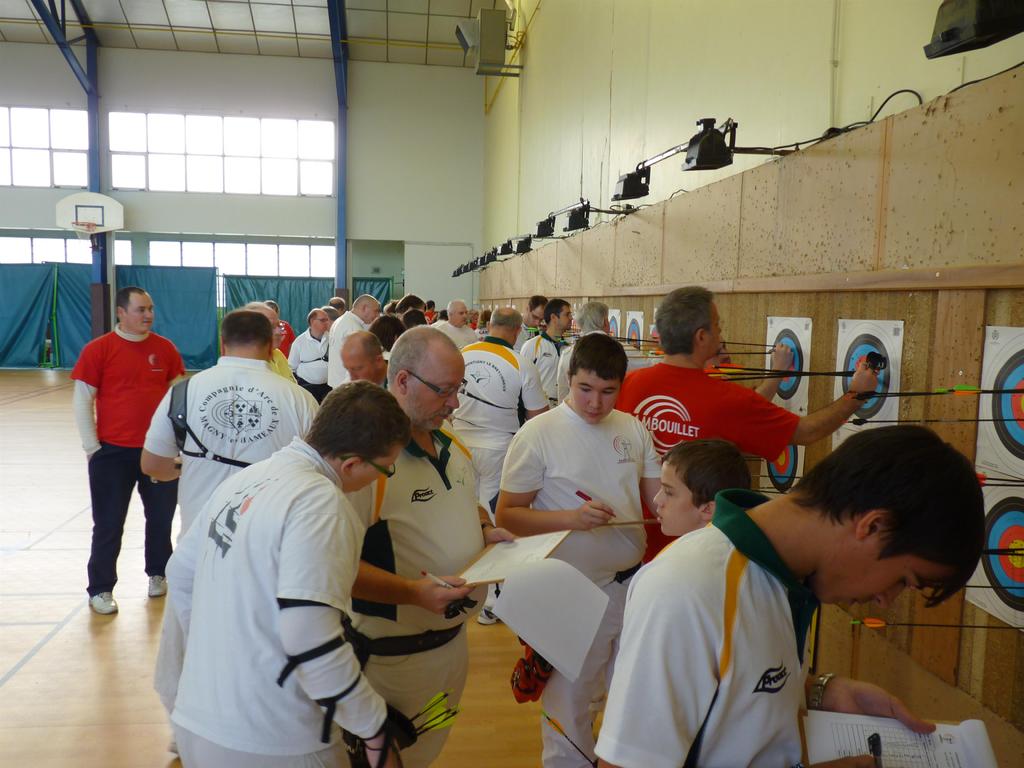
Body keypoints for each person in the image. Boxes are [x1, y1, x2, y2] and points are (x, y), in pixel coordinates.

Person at [595, 425, 985, 768]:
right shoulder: (687, 587)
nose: (885, 600)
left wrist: (821, 691)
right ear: (873, 526)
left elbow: (732, 689)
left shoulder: (784, 577)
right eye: (903, 580)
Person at [167, 383, 411, 768]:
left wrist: (226, 654)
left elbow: (180, 575)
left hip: (198, 718)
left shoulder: (249, 478)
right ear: (352, 464)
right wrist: (374, 727)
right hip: (275, 738)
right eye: (385, 469)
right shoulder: (322, 504)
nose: (381, 479)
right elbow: (310, 636)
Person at [348, 327, 514, 768]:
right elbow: (335, 566)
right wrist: (412, 593)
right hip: (390, 664)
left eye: (459, 389)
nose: (455, 402)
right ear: (402, 381)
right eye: (444, 390)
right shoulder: (366, 463)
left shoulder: (452, 443)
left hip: (452, 651)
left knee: (426, 754)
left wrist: (483, 526)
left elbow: (465, 499)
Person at [141, 309, 319, 720]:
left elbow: (152, 464)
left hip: (199, 541)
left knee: (195, 636)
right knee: (262, 641)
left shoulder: (185, 392)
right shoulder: (297, 398)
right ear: (272, 347)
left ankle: (189, 723)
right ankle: (254, 721)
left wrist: (192, 469)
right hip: (271, 545)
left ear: (222, 343)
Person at [496, 333, 661, 768]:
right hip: (570, 592)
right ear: (569, 378)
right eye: (585, 388)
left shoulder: (632, 428)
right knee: (568, 710)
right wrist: (572, 517)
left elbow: (660, 500)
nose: (595, 402)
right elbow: (508, 515)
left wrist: (695, 497)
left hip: (631, 586)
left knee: (630, 699)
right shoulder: (538, 433)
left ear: (621, 386)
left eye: (608, 391)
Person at [617, 286, 878, 560]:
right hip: (699, 554)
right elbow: (807, 431)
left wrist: (776, 374)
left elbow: (739, 415)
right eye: (717, 325)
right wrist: (856, 395)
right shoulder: (727, 399)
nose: (720, 332)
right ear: (701, 336)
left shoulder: (629, 385)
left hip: (630, 548)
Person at [71, 286, 185, 615]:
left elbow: (178, 399)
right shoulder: (99, 350)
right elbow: (82, 400)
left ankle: (158, 573)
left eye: (150, 309)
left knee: (161, 519)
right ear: (121, 312)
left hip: (159, 453)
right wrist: (93, 448)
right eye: (140, 309)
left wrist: (178, 446)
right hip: (112, 454)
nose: (148, 315)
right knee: (108, 524)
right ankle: (101, 588)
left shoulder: (165, 349)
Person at [452, 307, 549, 624]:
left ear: (489, 325)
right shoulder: (521, 363)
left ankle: (462, 586)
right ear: (517, 330)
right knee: (493, 520)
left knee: (465, 515)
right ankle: (493, 601)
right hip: (499, 450)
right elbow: (538, 416)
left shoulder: (462, 354)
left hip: (459, 444)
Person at [521, 298, 573, 407]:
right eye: (567, 314)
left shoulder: (570, 348)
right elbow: (521, 380)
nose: (571, 318)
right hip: (540, 408)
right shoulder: (532, 345)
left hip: (564, 408)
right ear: (553, 317)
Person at [555, 301, 610, 403]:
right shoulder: (619, 350)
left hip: (574, 408)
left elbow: (562, 391)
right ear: (605, 322)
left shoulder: (567, 353)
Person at [327, 294, 381, 388]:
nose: (378, 315)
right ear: (364, 308)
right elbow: (356, 364)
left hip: (338, 383)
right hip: (347, 386)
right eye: (375, 311)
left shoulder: (341, 320)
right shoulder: (353, 328)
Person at [289, 307, 333, 403]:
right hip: (307, 388)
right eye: (323, 320)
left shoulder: (332, 338)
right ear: (313, 321)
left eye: (327, 320)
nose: (327, 323)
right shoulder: (299, 342)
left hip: (328, 387)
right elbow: (291, 368)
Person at [244, 301, 295, 383]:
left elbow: (292, 383)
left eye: (279, 326)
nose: (279, 332)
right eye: (271, 326)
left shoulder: (278, 354)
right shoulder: (245, 361)